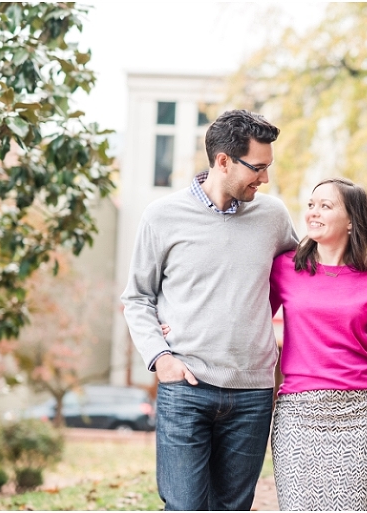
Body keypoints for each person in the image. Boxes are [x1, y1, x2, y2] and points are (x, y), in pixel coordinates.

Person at [120, 109, 299, 511]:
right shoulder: (162, 216)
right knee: (184, 506)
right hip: (186, 386)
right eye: (258, 168)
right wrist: (160, 357)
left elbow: (303, 276)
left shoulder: (273, 217)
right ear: (223, 161)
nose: (265, 179)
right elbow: (137, 297)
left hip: (252, 392)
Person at [269, 177, 367, 510]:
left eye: (325, 206)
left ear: (350, 221)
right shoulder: (285, 267)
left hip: (359, 416)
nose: (313, 212)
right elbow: (249, 318)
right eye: (311, 205)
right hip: (298, 414)